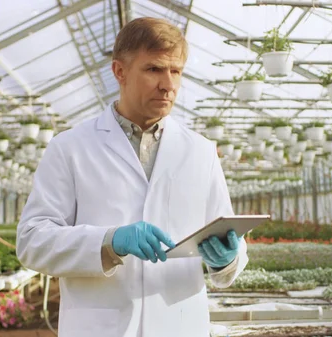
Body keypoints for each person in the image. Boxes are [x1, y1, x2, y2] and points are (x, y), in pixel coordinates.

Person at [16, 17, 248, 337]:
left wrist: (228, 259)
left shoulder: (201, 152)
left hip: (180, 325)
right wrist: (108, 241)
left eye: (176, 71)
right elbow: (32, 241)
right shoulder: (70, 148)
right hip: (100, 328)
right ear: (119, 72)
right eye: (154, 69)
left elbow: (229, 237)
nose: (168, 84)